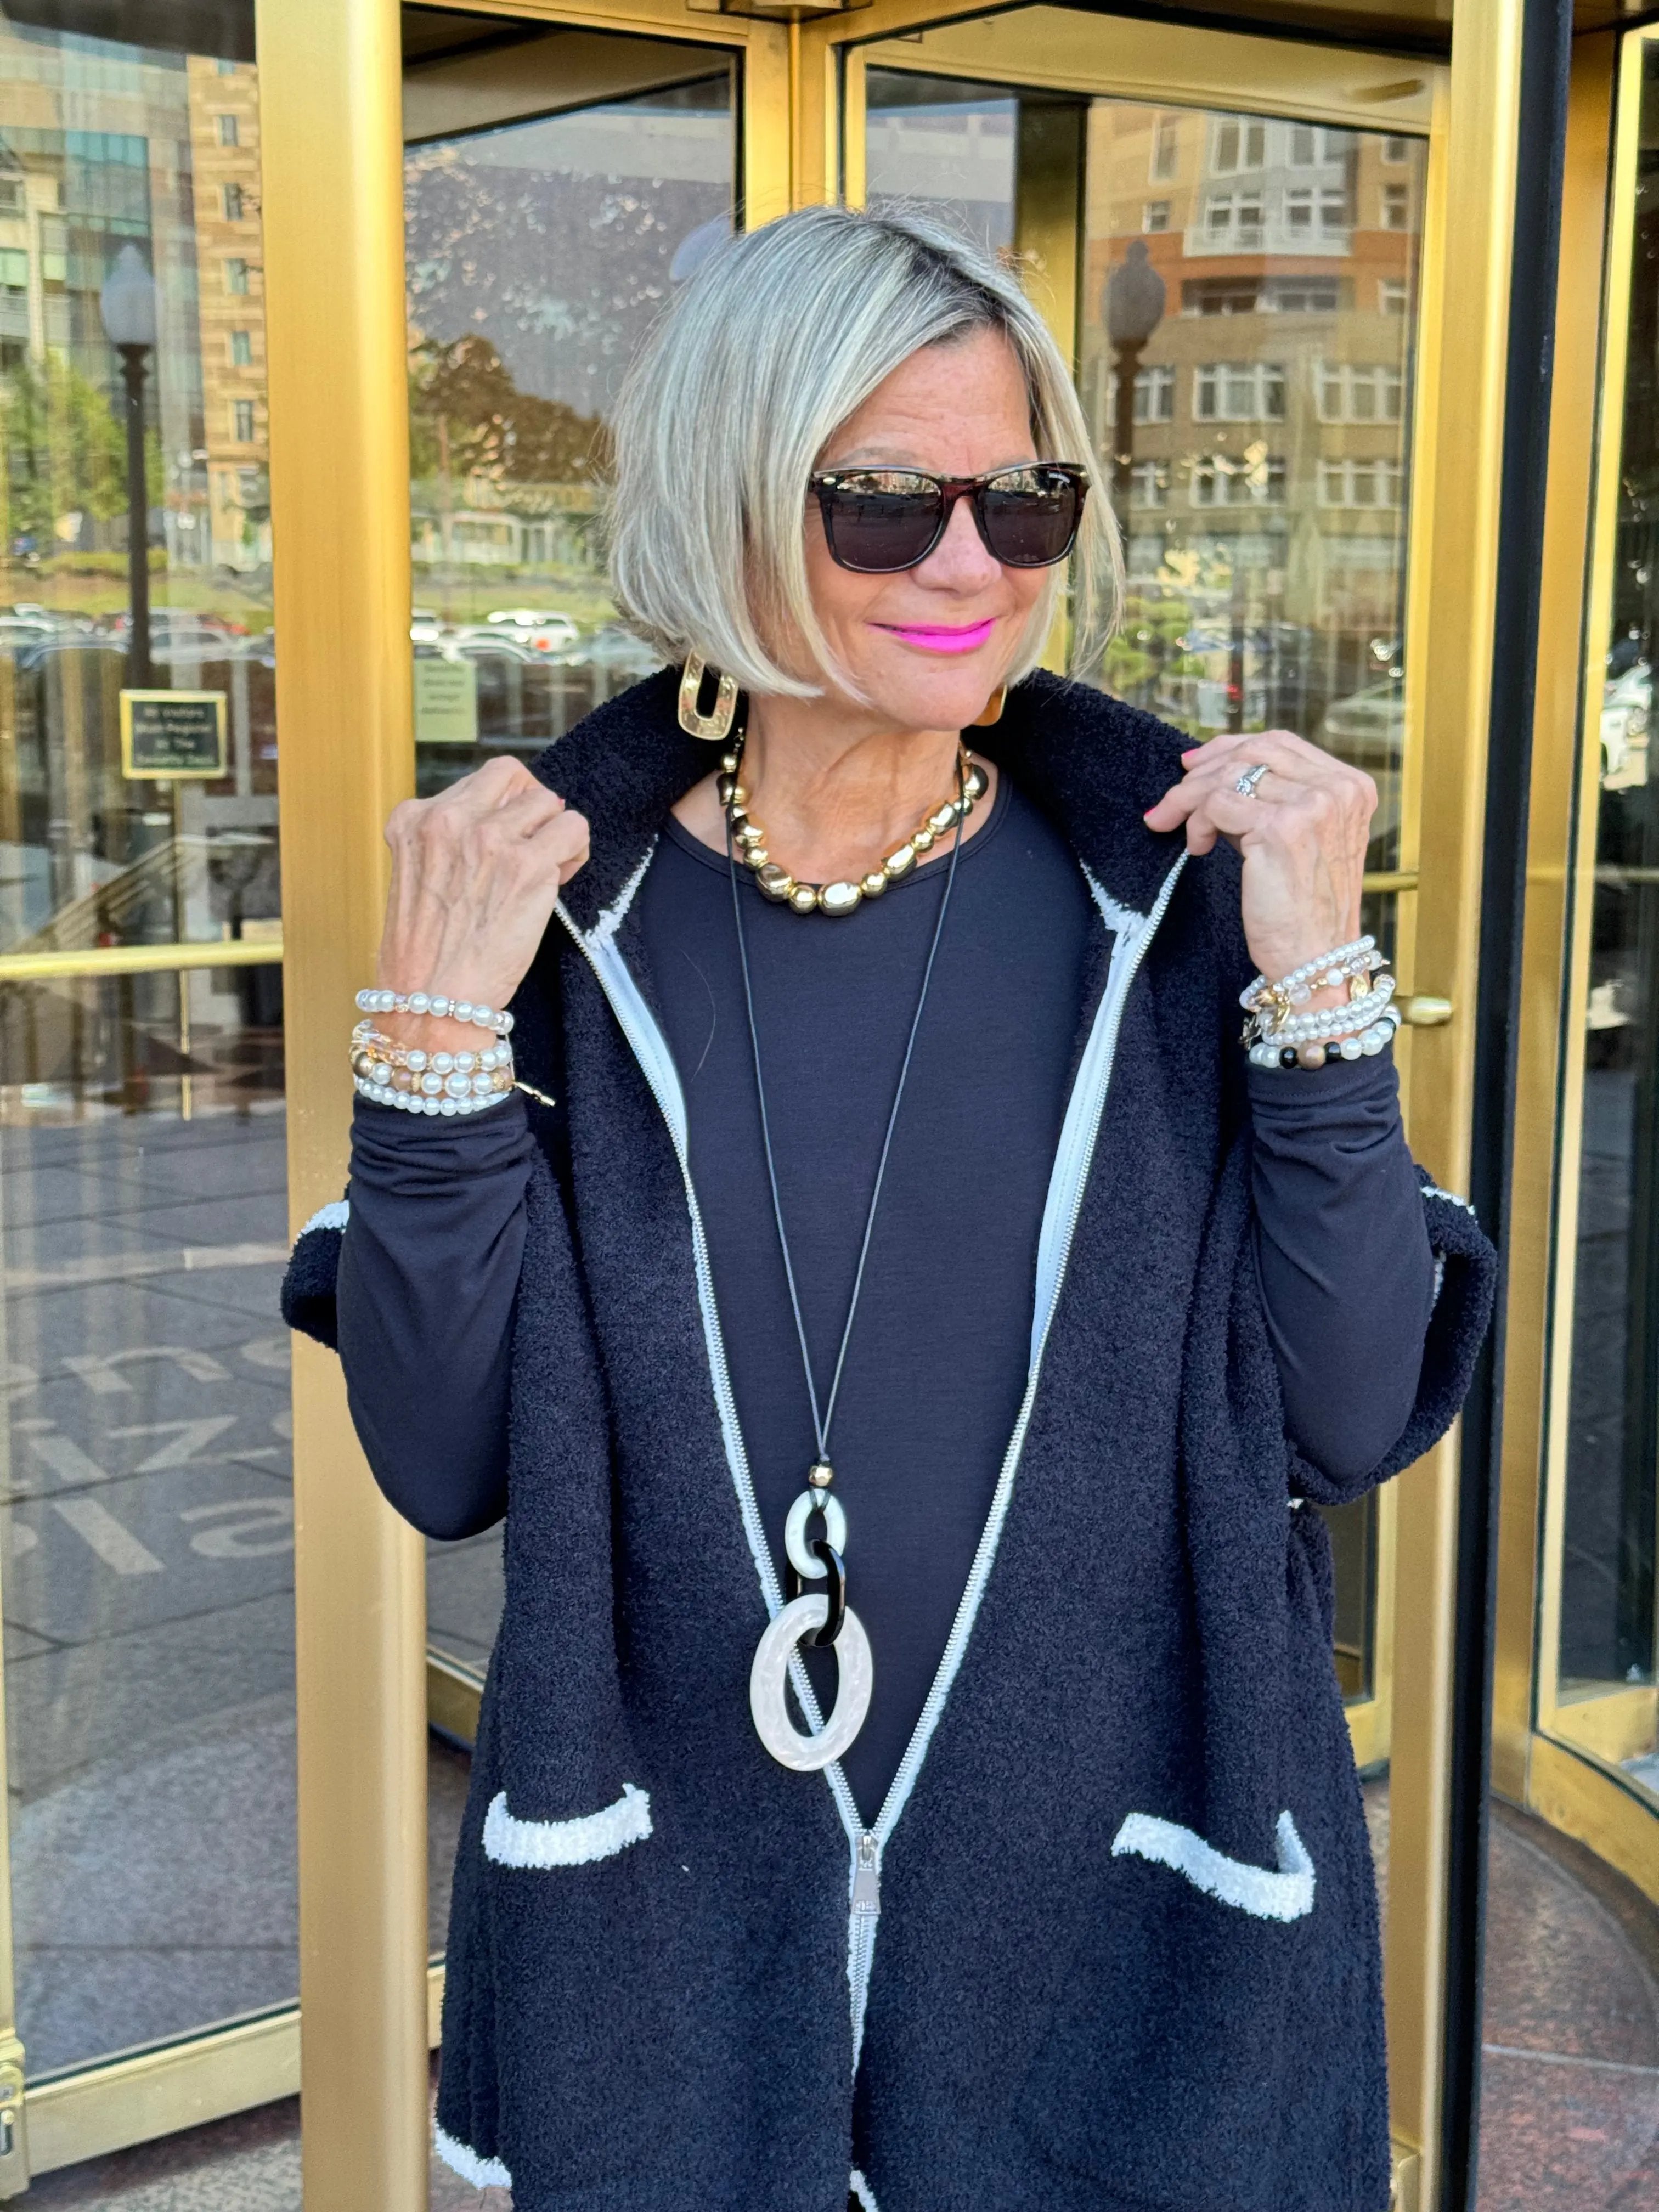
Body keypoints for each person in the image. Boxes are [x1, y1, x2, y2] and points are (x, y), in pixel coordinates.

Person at [284, 205, 1494, 2212]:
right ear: (730, 503)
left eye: (1025, 501)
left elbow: (1355, 1415)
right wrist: (431, 1029)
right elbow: (441, 1458)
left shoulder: (1168, 911)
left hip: (1112, 1939)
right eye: (882, 504)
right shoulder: (561, 927)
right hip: (677, 1937)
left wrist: (1319, 987)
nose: (970, 566)